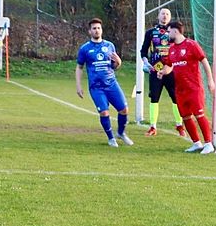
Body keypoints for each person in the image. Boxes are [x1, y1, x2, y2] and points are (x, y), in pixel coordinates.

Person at [159, 20, 215, 154]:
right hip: (180, 90)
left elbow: (204, 61)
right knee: (185, 117)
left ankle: (209, 143)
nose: (167, 34)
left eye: (169, 31)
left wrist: (210, 80)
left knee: (199, 114)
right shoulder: (172, 49)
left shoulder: (191, 45)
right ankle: (196, 143)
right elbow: (169, 66)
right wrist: (162, 72)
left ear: (175, 31)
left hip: (194, 88)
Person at [76, 18, 133, 147]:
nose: (97, 30)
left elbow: (114, 66)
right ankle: (111, 138)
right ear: (90, 31)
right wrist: (78, 86)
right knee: (104, 112)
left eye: (99, 28)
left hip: (112, 84)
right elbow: (79, 67)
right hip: (96, 87)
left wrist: (119, 63)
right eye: (94, 28)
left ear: (101, 30)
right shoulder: (85, 49)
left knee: (124, 109)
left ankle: (121, 133)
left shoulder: (109, 46)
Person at [140, 8, 186, 137]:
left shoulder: (174, 32)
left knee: (175, 97)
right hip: (156, 70)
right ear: (158, 16)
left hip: (171, 69)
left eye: (167, 14)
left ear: (170, 17)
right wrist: (146, 62)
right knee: (154, 97)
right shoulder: (150, 32)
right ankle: (153, 126)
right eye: (163, 13)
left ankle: (179, 125)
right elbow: (143, 51)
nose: (165, 16)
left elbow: (180, 48)